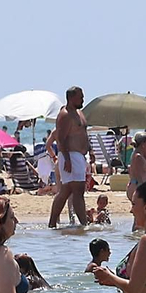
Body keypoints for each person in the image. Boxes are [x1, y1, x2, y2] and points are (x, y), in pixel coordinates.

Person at [48, 86, 90, 228]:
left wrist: (91, 151)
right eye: (80, 97)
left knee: (66, 191)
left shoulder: (79, 113)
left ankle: (52, 223)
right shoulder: (65, 115)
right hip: (70, 155)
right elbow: (61, 138)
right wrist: (66, 159)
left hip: (79, 156)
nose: (83, 99)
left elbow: (84, 134)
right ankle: (84, 224)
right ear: (72, 98)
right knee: (77, 191)